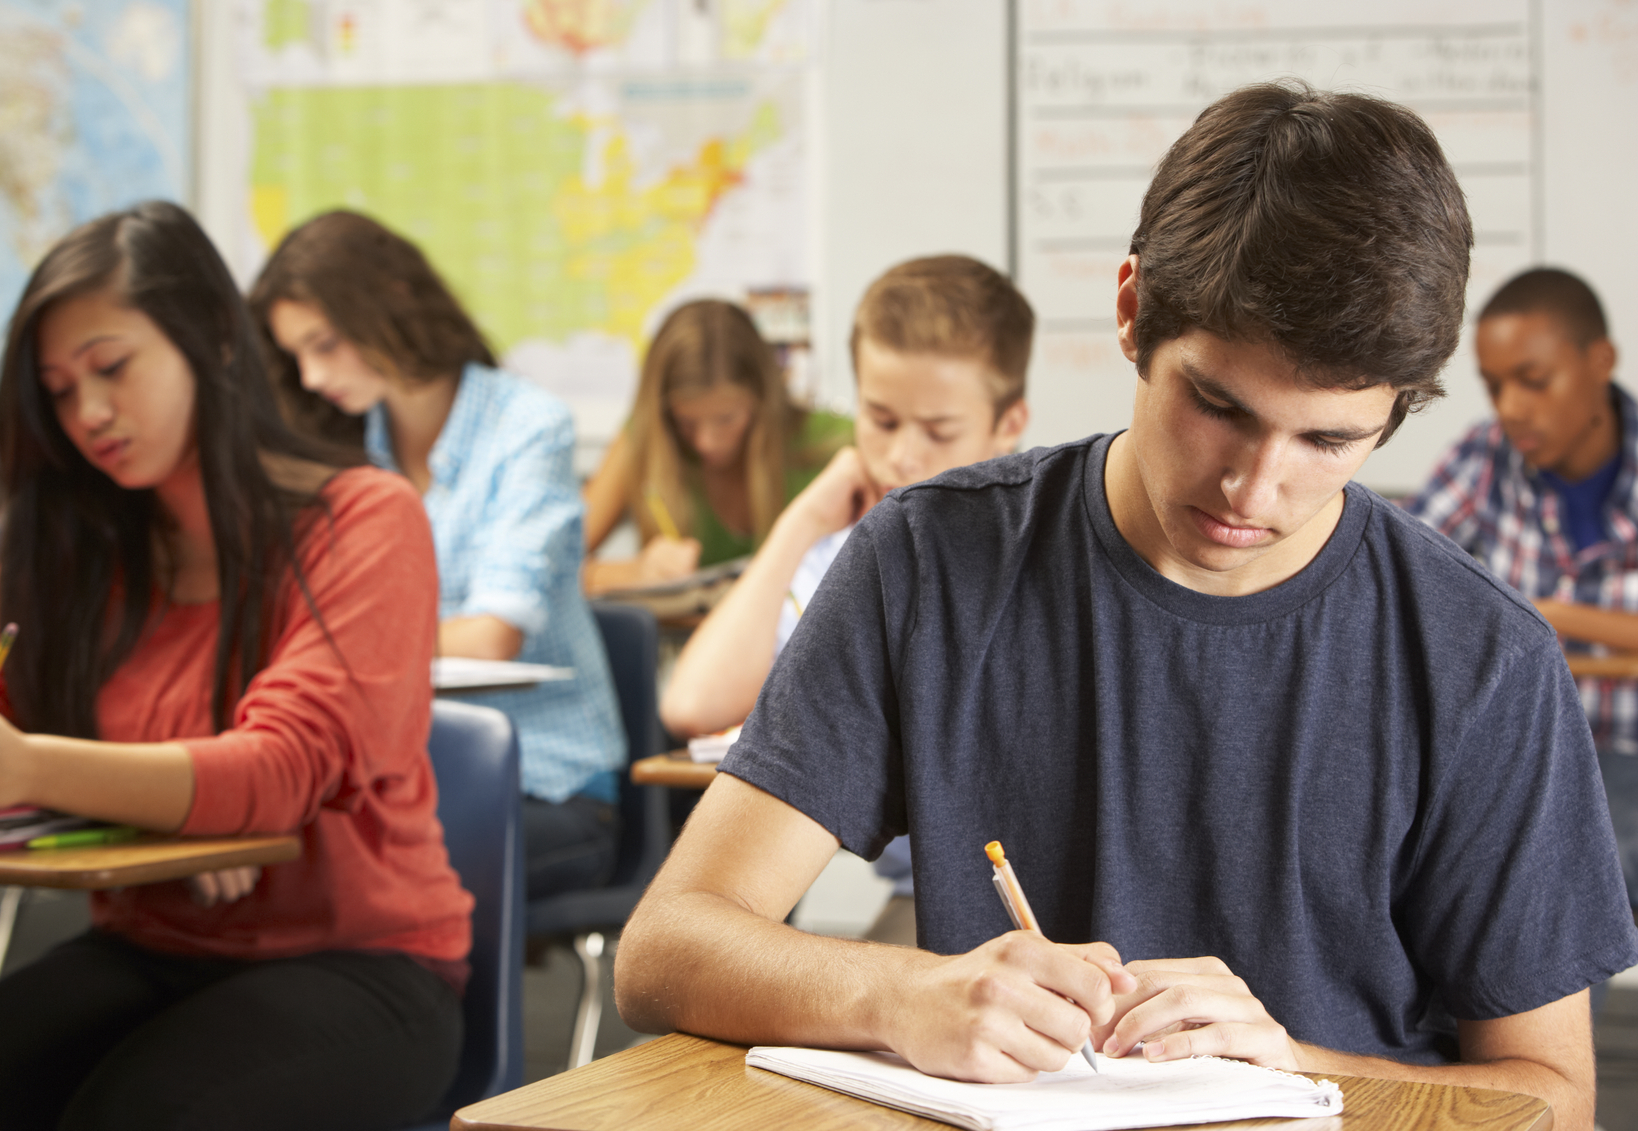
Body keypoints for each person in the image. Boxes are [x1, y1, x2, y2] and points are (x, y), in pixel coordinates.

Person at [613, 83, 1638, 1131]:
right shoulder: (931, 561)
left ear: (1396, 410)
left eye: (1326, 442)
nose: (1252, 487)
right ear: (1129, 310)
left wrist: (1286, 1062)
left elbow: (1551, 1101)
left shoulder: (1480, 661)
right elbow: (664, 950)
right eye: (1217, 405)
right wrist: (896, 993)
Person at [0, 201, 470, 1130]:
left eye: (111, 367)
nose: (88, 413)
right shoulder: (72, 545)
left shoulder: (364, 520)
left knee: (134, 1115)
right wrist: (166, 811)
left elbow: (274, 775)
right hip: (153, 943)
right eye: (59, 390)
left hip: (362, 964)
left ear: (216, 338)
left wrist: (34, 768)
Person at [250, 210, 626, 900]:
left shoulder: (526, 425)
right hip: (404, 783)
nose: (309, 376)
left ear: (391, 302)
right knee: (267, 853)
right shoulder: (343, 451)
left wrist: (335, 649)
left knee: (353, 880)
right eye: (296, 354)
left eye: (325, 344)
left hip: (548, 784)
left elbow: (489, 637)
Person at [658, 256, 1033, 945]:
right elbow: (694, 705)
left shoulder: (1036, 554)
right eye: (880, 418)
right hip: (928, 911)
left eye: (938, 431)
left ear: (1009, 422)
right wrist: (800, 522)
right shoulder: (853, 553)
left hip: (1032, 915)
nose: (902, 456)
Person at [1407, 268, 1638, 909]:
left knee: (1572, 865)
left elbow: (1489, 618)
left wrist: (1536, 615)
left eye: (1533, 381)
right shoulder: (1485, 458)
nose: (1510, 407)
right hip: (1521, 749)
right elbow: (1407, 580)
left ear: (1601, 362)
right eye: (1494, 385)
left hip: (1622, 753)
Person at [582, 299, 850, 593]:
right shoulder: (646, 438)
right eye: (686, 421)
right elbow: (551, 564)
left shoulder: (835, 445)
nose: (705, 442)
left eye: (726, 419)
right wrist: (633, 573)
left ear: (763, 399)